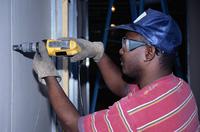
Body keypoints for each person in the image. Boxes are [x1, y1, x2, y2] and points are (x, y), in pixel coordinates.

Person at [33, 8, 200, 132]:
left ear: (149, 53)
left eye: (126, 44)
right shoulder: (180, 88)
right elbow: (121, 87)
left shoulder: (132, 113)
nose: (121, 50)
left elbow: (72, 126)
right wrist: (97, 53)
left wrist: (48, 74)